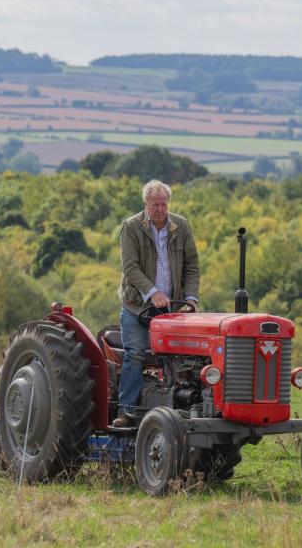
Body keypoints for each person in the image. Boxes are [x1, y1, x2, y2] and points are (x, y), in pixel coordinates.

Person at [113, 179, 200, 427]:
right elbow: (130, 267)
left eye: (163, 204)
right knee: (137, 353)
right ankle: (126, 411)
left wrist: (191, 299)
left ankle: (182, 408)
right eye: (155, 205)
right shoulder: (131, 227)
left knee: (183, 359)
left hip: (172, 309)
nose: (160, 209)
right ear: (146, 204)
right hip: (137, 305)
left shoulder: (181, 226)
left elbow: (192, 267)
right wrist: (152, 293)